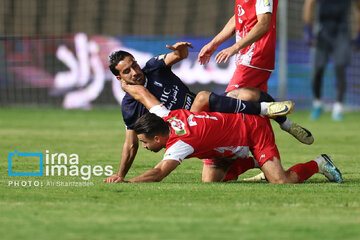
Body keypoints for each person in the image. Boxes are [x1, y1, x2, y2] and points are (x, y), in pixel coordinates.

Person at [104, 42, 293, 183]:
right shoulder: (130, 105)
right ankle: (257, 163)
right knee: (211, 182)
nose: (135, 72)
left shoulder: (153, 67)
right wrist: (120, 176)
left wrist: (180, 51)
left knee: (246, 94)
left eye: (134, 65)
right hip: (191, 135)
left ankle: (283, 121)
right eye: (127, 71)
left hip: (203, 112)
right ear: (119, 77)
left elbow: (178, 55)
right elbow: (131, 144)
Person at [119, 82, 343, 184]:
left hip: (254, 130)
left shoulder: (180, 144)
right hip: (222, 145)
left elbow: (158, 174)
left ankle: (319, 163)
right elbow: (142, 92)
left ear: (158, 138)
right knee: (211, 182)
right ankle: (255, 164)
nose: (145, 147)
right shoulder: (167, 115)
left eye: (145, 142)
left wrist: (128, 181)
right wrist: (124, 84)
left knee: (281, 181)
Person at [303, 0, 360, 121]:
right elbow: (309, 3)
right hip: (322, 31)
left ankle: (338, 107)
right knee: (317, 69)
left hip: (342, 32)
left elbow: (358, 7)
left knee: (340, 68)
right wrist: (308, 27)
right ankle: (317, 103)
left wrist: (359, 31)